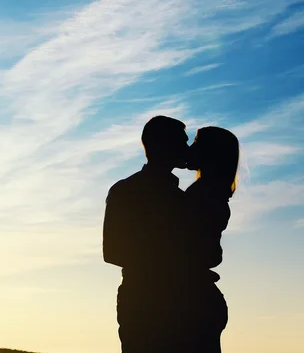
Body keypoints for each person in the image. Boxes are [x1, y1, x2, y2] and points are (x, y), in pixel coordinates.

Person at [102, 115, 194, 353]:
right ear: (163, 145)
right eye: (182, 142)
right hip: (143, 301)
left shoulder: (180, 197)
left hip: (166, 300)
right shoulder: (126, 191)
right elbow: (112, 252)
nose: (187, 148)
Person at [180, 126, 240, 353]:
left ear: (210, 153)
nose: (190, 148)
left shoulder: (203, 195)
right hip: (201, 298)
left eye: (196, 143)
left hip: (195, 301)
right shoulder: (208, 192)